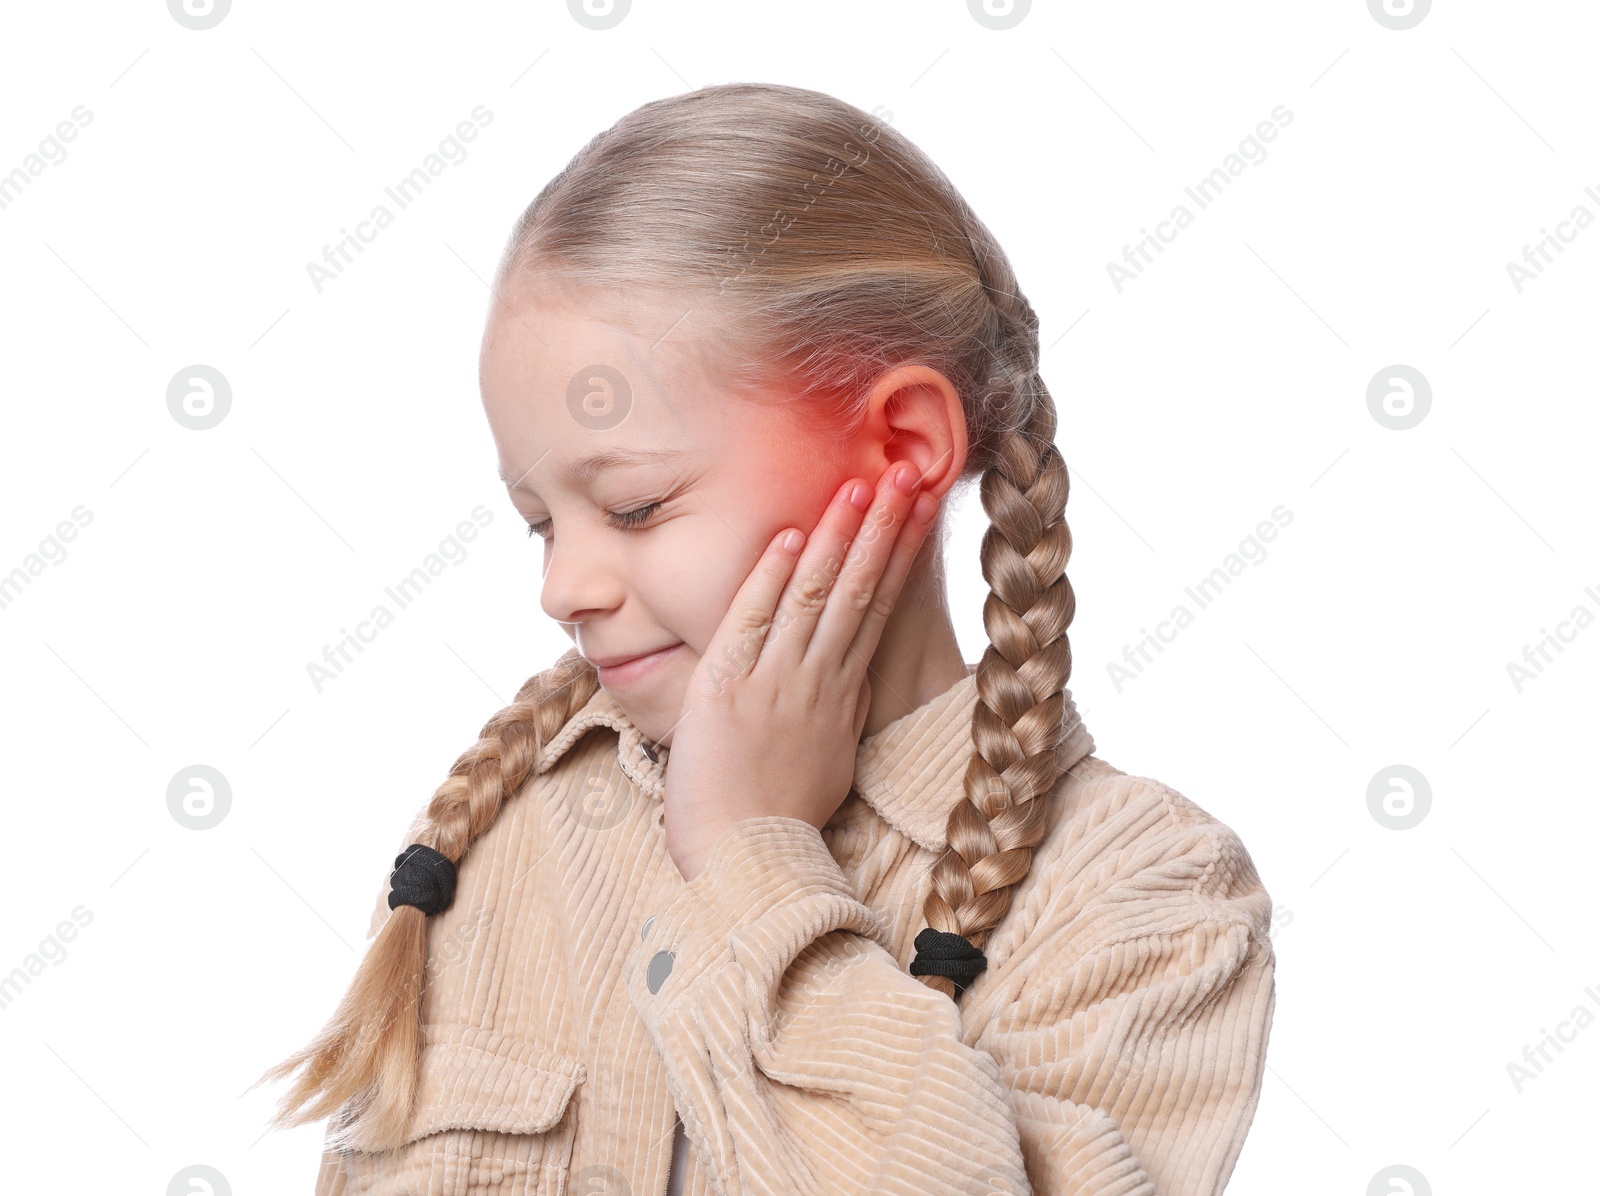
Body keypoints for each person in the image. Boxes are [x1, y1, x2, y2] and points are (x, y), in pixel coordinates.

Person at [253, 81, 1277, 1195]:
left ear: (902, 444)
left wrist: (751, 855)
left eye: (636, 505)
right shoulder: (497, 835)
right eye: (540, 523)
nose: (562, 585)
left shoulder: (1146, 901)